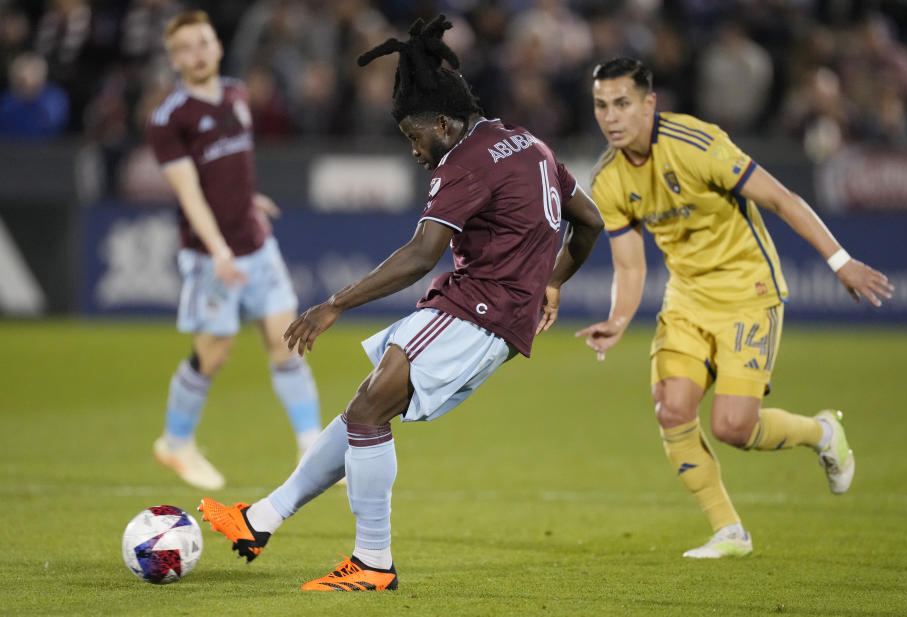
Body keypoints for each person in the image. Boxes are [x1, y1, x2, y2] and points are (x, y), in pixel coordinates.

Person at [198, 15, 603, 591]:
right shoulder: (527, 142)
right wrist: (553, 281)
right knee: (369, 403)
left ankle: (372, 563)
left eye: (415, 138)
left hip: (477, 311)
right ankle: (260, 519)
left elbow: (421, 255)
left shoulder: (463, 162)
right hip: (488, 311)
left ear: (442, 122)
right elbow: (589, 221)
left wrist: (334, 303)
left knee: (368, 412)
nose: (415, 152)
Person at [579, 58, 894, 558]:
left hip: (748, 292)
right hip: (686, 298)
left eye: (622, 103)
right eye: (601, 105)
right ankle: (729, 530)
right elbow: (631, 266)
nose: (611, 116)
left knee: (733, 426)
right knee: (672, 408)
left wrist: (840, 261)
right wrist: (618, 320)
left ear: (649, 104)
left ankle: (822, 432)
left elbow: (783, 199)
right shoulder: (609, 180)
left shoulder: (696, 144)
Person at [146, 11, 324, 490]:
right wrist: (219, 249)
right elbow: (189, 192)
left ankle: (312, 447)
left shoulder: (236, 94)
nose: (197, 53)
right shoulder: (169, 119)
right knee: (216, 351)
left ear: (218, 47)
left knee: (286, 339)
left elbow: (232, 168)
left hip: (256, 242)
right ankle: (175, 442)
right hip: (212, 255)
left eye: (203, 42)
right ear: (174, 58)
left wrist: (249, 201)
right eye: (185, 47)